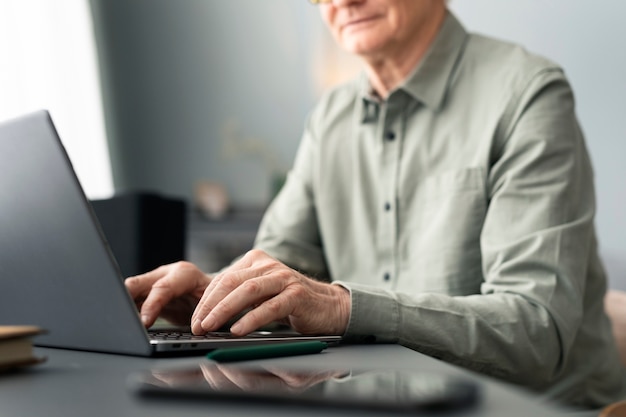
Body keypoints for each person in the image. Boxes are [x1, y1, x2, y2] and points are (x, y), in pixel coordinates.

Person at [125, 0, 626, 408]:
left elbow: (534, 331)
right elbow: (280, 269)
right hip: (377, 401)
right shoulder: (330, 119)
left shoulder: (528, 95)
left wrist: (343, 307)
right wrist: (218, 298)